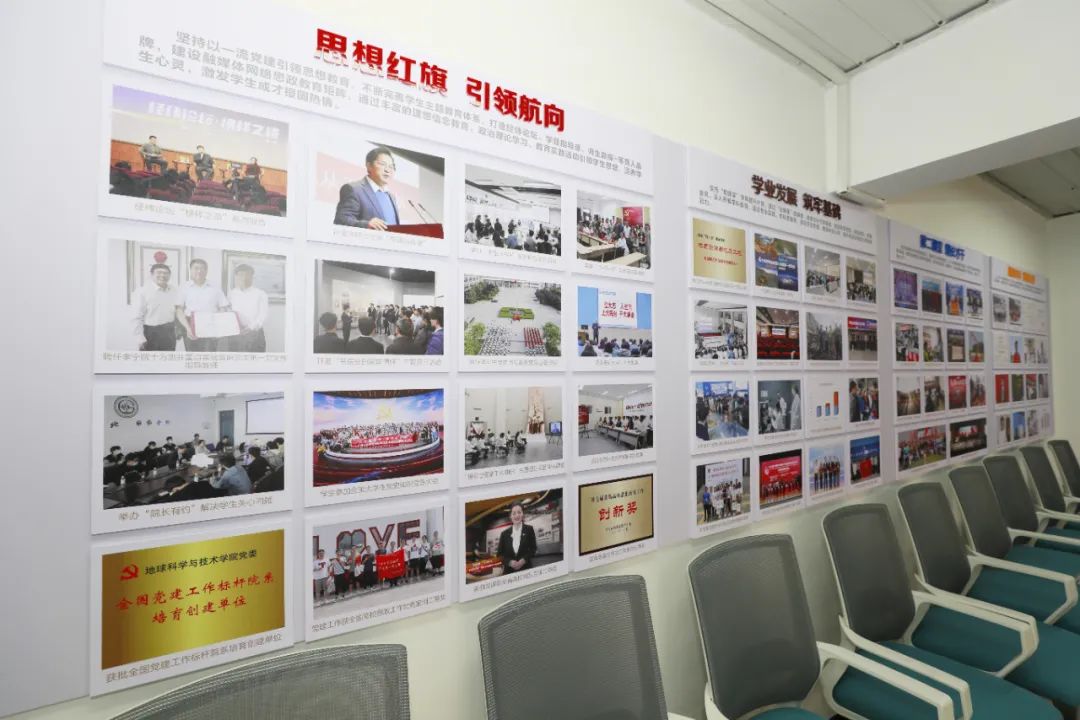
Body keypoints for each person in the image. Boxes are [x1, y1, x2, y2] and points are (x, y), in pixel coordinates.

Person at [333, 146, 400, 229]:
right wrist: (366, 225)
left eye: (391, 166)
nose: (387, 170)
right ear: (369, 166)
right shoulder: (354, 189)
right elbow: (341, 220)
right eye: (382, 164)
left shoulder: (391, 197)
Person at [176, 258, 229, 352]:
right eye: (196, 268)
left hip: (211, 325)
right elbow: (179, 310)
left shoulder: (215, 287)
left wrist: (218, 326)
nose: (199, 271)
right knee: (192, 356)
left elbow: (223, 307)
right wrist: (188, 328)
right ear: (191, 270)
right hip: (190, 325)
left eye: (202, 268)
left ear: (206, 271)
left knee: (209, 355)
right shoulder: (184, 287)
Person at [133, 263, 179, 351]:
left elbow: (177, 311)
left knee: (169, 358)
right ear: (151, 275)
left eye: (165, 273)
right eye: (159, 272)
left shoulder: (174, 290)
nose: (162, 275)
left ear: (169, 275)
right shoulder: (142, 292)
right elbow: (136, 317)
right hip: (150, 333)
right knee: (149, 359)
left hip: (169, 332)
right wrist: (139, 338)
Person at [227, 264, 268, 352]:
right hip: (236, 334)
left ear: (252, 277)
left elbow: (263, 316)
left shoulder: (261, 294)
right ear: (236, 277)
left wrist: (250, 328)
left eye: (248, 275)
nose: (244, 278)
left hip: (255, 334)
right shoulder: (232, 294)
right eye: (241, 275)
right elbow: (229, 313)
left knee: (256, 360)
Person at [496, 501, 537, 574]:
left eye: (519, 512)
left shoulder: (529, 529)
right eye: (514, 513)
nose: (517, 515)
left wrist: (524, 560)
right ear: (510, 516)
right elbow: (499, 555)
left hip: (526, 569)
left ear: (522, 514)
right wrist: (509, 562)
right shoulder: (504, 534)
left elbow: (533, 549)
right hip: (509, 572)